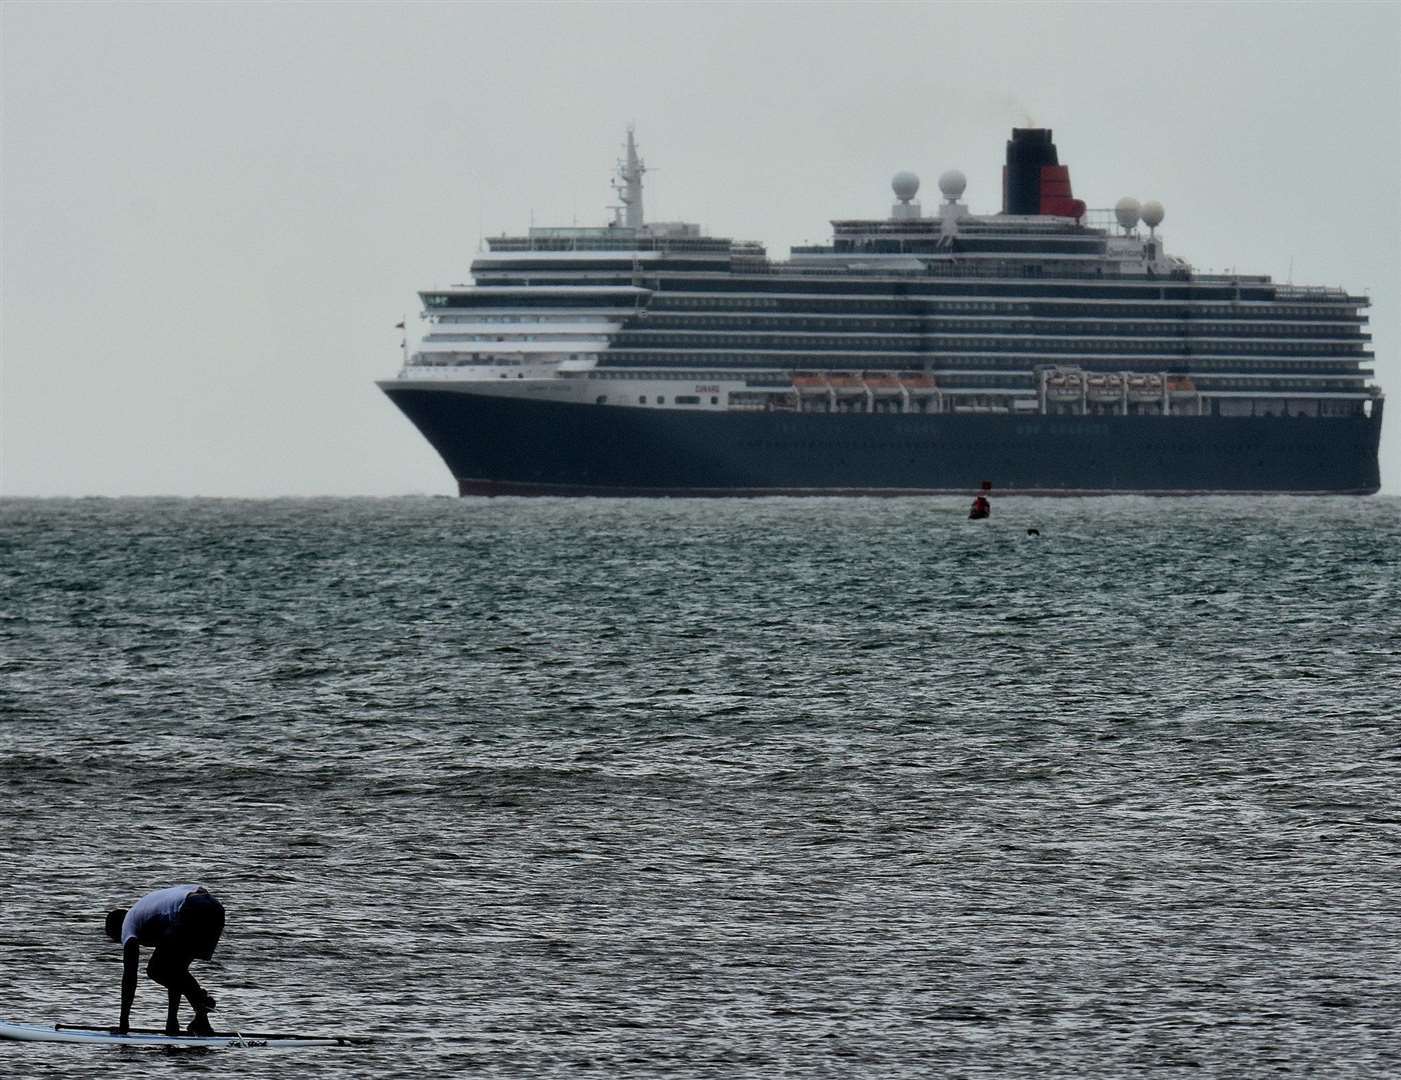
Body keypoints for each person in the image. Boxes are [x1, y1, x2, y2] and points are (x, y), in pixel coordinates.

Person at [104, 884, 225, 1035]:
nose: (121, 941)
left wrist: (123, 1023)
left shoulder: (129, 923)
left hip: (192, 908)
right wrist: (172, 1022)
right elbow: (175, 974)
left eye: (116, 939)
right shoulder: (154, 918)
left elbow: (130, 977)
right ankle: (201, 1021)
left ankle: (199, 1000)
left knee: (155, 970)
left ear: (117, 931)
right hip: (215, 909)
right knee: (175, 971)